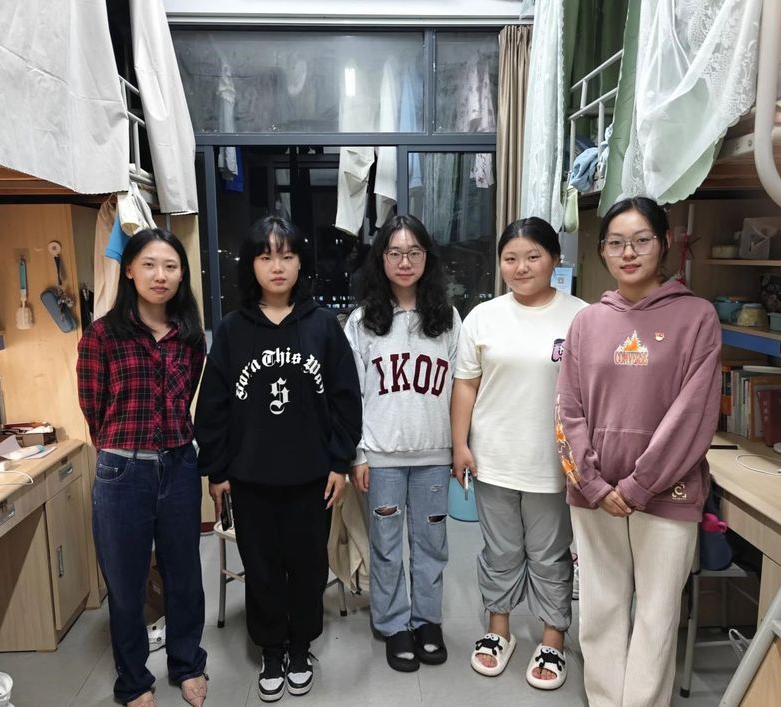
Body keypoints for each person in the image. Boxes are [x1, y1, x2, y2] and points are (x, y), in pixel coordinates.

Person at [555, 196, 721, 706]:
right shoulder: (587, 321)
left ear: (664, 242)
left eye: (641, 241)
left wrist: (639, 484)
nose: (628, 253)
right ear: (602, 251)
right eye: (616, 243)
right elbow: (567, 409)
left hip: (668, 492)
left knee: (657, 613)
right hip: (594, 492)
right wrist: (592, 483)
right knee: (600, 606)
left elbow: (693, 413)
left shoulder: (697, 317)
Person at [194, 216, 362, 703]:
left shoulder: (322, 326)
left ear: (300, 263)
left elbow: (346, 400)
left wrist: (339, 462)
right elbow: (213, 407)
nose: (277, 266)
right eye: (266, 256)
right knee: (262, 567)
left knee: (308, 566)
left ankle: (300, 647)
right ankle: (271, 648)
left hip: (313, 478)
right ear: (251, 265)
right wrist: (217, 470)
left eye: (287, 256)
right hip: (250, 479)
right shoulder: (232, 331)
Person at [451, 218, 586, 690]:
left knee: (550, 555)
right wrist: (460, 444)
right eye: (511, 258)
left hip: (554, 462)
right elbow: (465, 386)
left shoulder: (582, 316)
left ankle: (553, 638)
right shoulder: (483, 317)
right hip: (494, 457)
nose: (521, 267)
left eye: (533, 256)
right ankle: (498, 630)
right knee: (500, 550)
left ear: (554, 259)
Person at [77, 229, 208, 707]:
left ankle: (187, 664)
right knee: (126, 585)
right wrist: (123, 449)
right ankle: (133, 681)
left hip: (179, 465)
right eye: (149, 264)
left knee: (184, 576)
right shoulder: (102, 335)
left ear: (182, 274)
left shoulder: (189, 337)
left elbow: (186, 397)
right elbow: (93, 406)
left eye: (171, 266)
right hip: (122, 472)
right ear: (129, 270)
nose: (160, 275)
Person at [345, 214, 461, 672]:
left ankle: (427, 620)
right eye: (394, 252)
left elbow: (462, 387)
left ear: (427, 257)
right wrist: (357, 454)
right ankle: (393, 623)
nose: (405, 261)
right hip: (382, 456)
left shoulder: (447, 318)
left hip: (434, 454)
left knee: (432, 542)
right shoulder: (363, 322)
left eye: (414, 252)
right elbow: (350, 394)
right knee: (387, 545)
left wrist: (458, 447)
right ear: (381, 259)